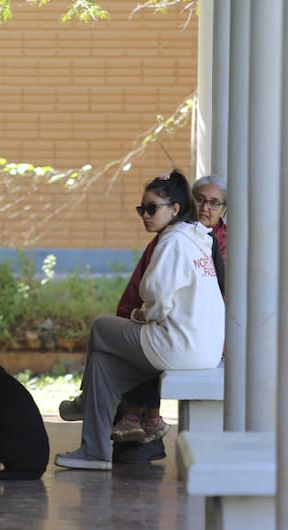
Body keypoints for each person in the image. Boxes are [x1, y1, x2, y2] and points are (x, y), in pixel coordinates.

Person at [54, 170, 225, 470]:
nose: (145, 215)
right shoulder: (196, 239)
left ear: (174, 209)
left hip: (179, 346)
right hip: (203, 350)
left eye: (152, 208)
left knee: (100, 327)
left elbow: (157, 303)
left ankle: (83, 400)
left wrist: (136, 315)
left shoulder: (173, 242)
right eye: (141, 209)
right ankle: (95, 453)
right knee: (103, 365)